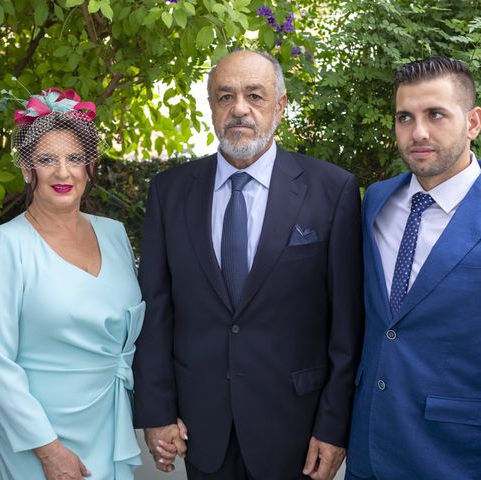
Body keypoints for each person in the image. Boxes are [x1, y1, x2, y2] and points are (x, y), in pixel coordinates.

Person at [133, 49, 364, 480]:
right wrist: (157, 411)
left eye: (254, 96)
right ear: (211, 107)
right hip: (201, 429)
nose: (239, 109)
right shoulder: (170, 193)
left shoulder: (333, 190)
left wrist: (335, 428)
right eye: (225, 97)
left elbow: (346, 328)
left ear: (280, 105)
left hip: (296, 430)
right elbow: (155, 311)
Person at [0, 87, 144, 480]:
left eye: (75, 159)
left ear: (90, 167)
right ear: (27, 168)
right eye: (47, 159)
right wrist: (48, 450)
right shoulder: (7, 244)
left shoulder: (115, 234)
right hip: (38, 435)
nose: (63, 172)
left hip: (109, 416)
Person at [346, 57, 481, 479]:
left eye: (435, 114)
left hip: (454, 456)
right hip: (367, 448)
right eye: (405, 117)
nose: (418, 132)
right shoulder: (376, 202)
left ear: (473, 122)